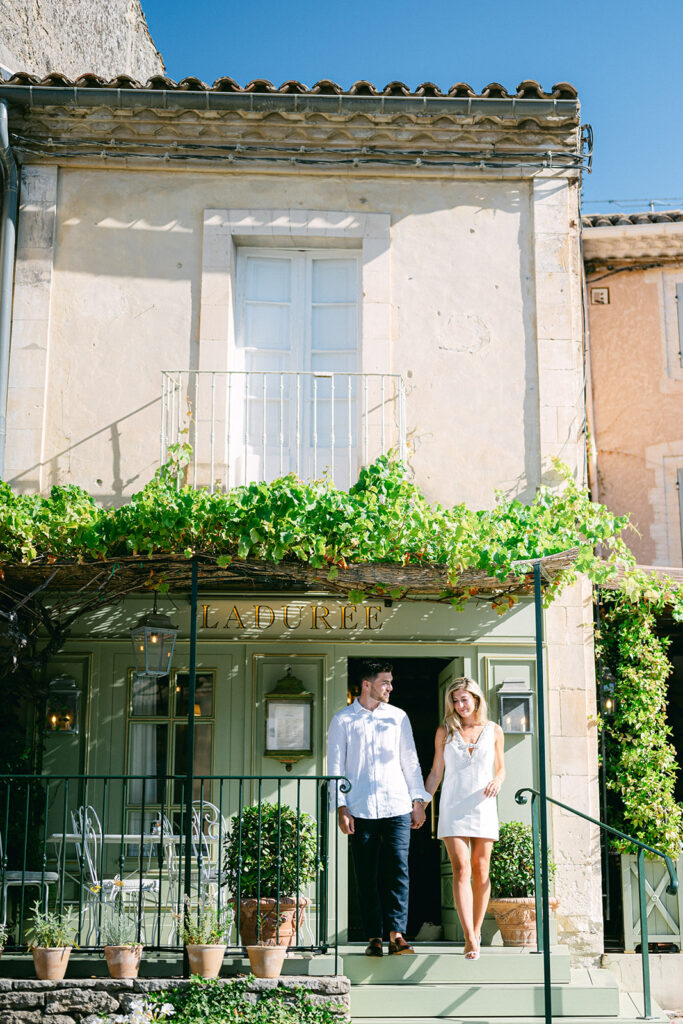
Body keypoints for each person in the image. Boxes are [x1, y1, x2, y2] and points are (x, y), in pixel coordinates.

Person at [327, 660, 429, 957]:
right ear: (367, 684)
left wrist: (418, 801)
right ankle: (373, 936)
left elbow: (410, 761)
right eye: (385, 682)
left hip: (397, 805)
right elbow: (335, 767)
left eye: (391, 682)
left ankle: (397, 934)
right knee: (366, 872)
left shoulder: (398, 717)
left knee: (398, 868)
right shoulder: (343, 720)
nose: (391, 687)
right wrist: (341, 807)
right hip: (359, 806)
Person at [424, 677, 505, 961]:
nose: (459, 705)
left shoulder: (494, 730)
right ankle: (470, 937)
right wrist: (421, 804)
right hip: (453, 805)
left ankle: (477, 928)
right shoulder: (444, 732)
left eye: (464, 699)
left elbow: (502, 769)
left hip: (483, 803)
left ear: (476, 700)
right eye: (455, 701)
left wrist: (497, 780)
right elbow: (436, 773)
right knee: (460, 869)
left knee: (481, 869)